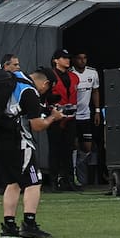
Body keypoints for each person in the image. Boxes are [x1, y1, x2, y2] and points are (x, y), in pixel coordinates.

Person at [0, 56, 67, 238]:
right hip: (18, 141)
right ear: (45, 83)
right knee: (33, 182)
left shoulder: (13, 80)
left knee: (13, 183)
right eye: (47, 88)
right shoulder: (29, 91)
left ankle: (9, 225)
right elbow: (37, 125)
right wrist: (53, 118)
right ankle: (29, 224)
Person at [47, 48, 78, 191]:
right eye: (64, 58)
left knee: (69, 149)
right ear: (56, 60)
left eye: (68, 58)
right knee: (55, 150)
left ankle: (69, 180)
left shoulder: (74, 76)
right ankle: (53, 181)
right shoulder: (49, 76)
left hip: (70, 117)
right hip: (55, 117)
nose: (67, 60)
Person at [71, 50, 101, 187]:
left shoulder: (92, 73)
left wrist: (97, 111)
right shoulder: (71, 74)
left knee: (88, 147)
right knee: (75, 144)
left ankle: (77, 164)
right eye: (79, 58)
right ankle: (73, 174)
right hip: (73, 116)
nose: (82, 61)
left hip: (86, 115)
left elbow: (95, 91)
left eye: (84, 58)